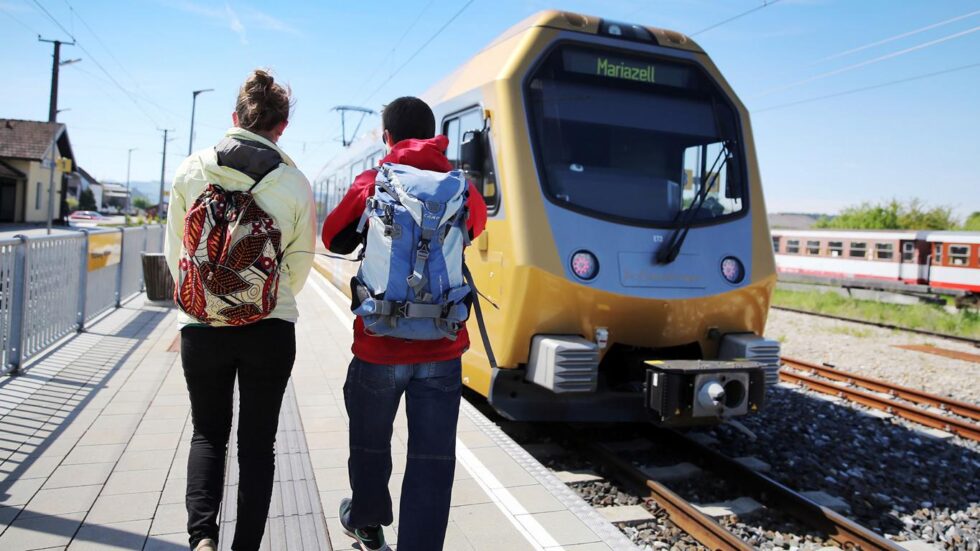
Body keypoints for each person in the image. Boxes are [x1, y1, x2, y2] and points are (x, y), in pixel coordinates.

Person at [321, 96, 488, 551]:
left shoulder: (373, 181)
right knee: (433, 459)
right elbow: (476, 228)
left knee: (370, 441)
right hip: (442, 348)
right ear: (435, 135)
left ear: (388, 137)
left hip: (379, 344)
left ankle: (368, 523)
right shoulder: (462, 188)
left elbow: (331, 236)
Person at [164, 69, 316, 551]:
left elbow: (177, 255)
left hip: (201, 328)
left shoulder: (190, 170)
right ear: (282, 126)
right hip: (269, 330)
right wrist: (258, 296)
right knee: (257, 446)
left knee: (208, 435)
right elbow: (298, 266)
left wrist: (211, 299)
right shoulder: (295, 183)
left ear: (235, 118)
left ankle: (201, 538)